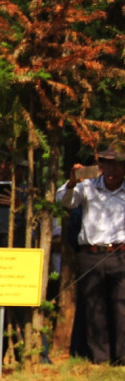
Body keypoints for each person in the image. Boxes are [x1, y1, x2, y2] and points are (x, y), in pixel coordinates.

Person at [56, 146, 125, 365]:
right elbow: (63, 202)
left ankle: (122, 360)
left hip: (121, 255)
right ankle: (100, 360)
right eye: (107, 164)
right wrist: (71, 182)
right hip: (91, 255)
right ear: (100, 166)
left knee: (122, 309)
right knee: (94, 308)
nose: (112, 169)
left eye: (117, 164)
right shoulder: (87, 186)